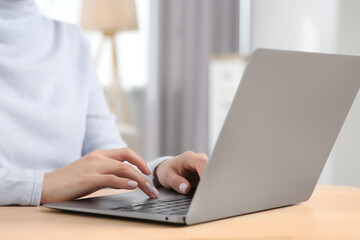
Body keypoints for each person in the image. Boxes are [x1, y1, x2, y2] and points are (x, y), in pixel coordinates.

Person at [0, 0, 208, 205]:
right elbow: (54, 183)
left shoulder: (72, 41)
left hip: (70, 224)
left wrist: (158, 173)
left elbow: (110, 153)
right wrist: (43, 185)